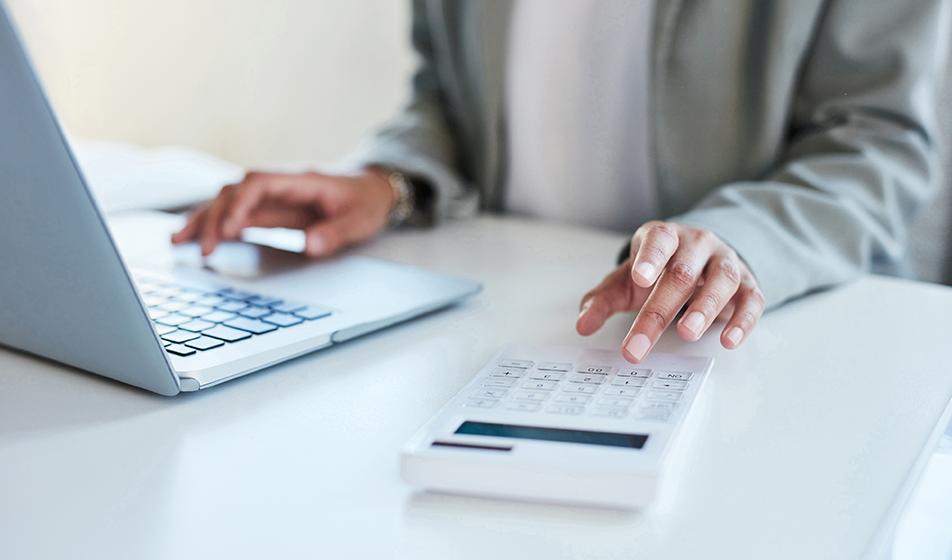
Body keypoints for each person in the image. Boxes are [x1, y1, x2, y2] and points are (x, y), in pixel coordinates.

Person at [172, 0, 948, 363]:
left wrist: (741, 243)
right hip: (499, 319)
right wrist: (391, 180)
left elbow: (878, 140)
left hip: (736, 346)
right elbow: (447, 91)